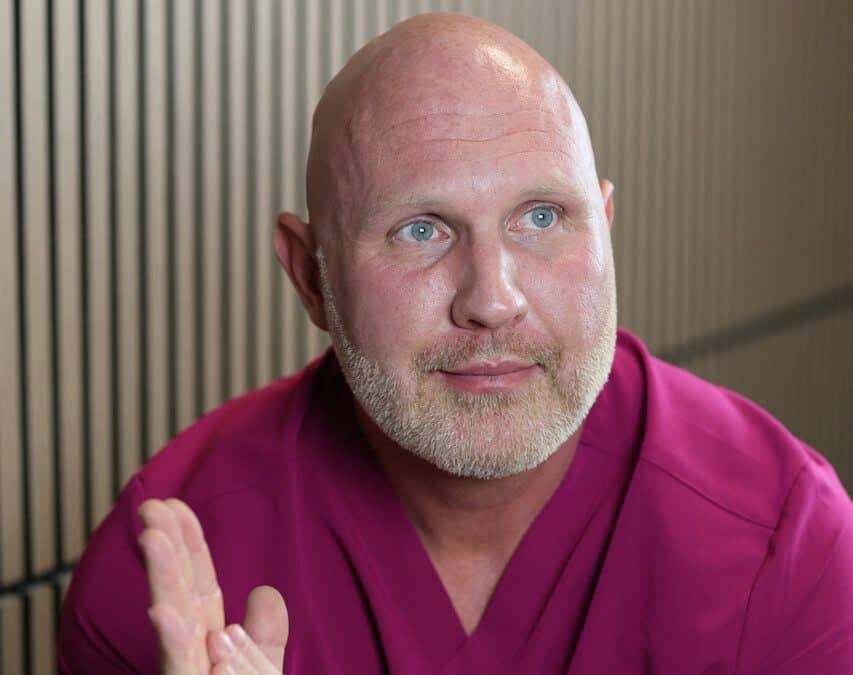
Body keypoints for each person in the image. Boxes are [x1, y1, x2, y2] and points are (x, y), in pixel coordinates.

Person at [57, 12, 853, 675]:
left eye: (540, 217)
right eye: (419, 230)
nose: (492, 300)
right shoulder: (166, 579)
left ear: (604, 233)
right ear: (310, 278)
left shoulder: (784, 548)